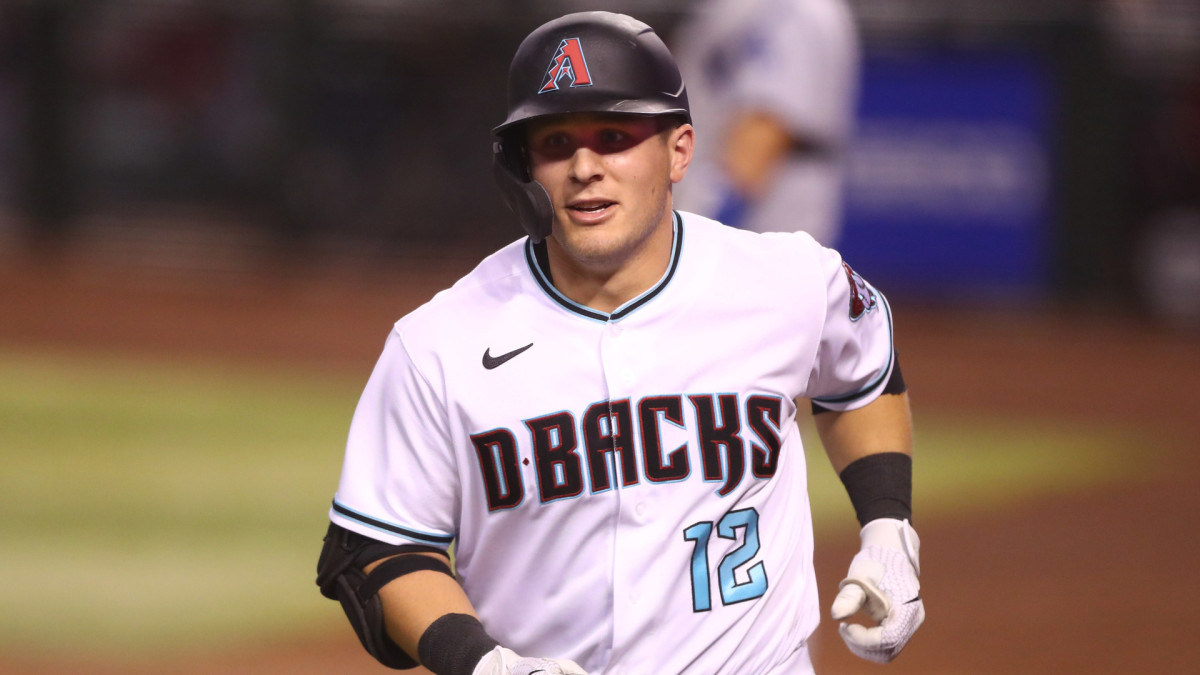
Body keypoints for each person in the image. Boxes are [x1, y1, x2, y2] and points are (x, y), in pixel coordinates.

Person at [316, 11, 923, 675]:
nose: (585, 168)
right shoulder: (439, 343)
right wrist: (484, 665)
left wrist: (888, 529)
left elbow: (863, 372)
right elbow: (379, 548)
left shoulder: (788, 282)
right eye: (556, 143)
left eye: (614, 137)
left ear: (680, 151)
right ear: (522, 165)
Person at [670, 0, 860, 246]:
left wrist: (690, 239)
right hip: (745, 234)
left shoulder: (791, 9)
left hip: (759, 235)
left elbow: (763, 131)